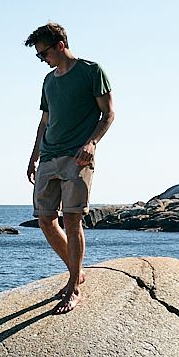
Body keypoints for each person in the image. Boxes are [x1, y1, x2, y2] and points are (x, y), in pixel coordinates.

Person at [24, 22, 115, 314]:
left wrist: (92, 144)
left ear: (60, 45)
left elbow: (108, 113)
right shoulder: (49, 81)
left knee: (73, 220)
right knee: (46, 220)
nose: (43, 60)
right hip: (49, 157)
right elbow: (44, 122)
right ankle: (77, 272)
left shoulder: (92, 71)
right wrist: (33, 156)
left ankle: (74, 287)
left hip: (78, 156)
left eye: (44, 54)